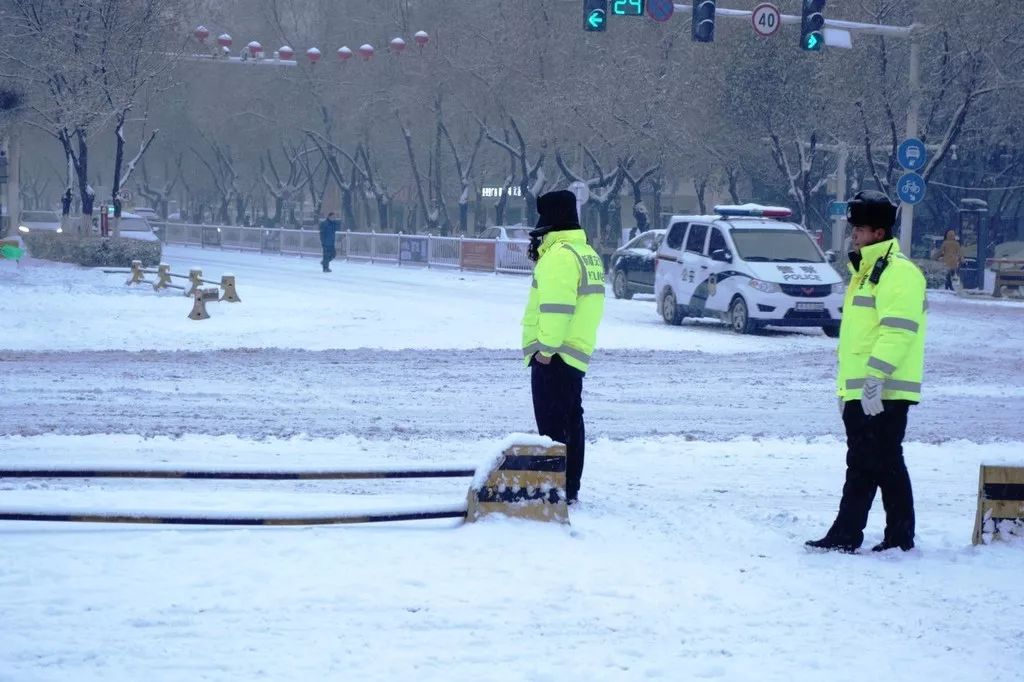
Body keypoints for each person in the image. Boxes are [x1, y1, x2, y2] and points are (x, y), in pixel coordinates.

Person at [806, 190, 927, 553]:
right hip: (865, 389)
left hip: (884, 389)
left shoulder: (897, 272)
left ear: (878, 232)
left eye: (859, 229)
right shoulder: (865, 271)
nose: (853, 235)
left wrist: (875, 378)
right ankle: (894, 536)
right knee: (880, 464)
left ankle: (851, 534)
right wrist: (849, 389)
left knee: (868, 463)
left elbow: (898, 330)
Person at [521, 190, 606, 505]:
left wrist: (545, 350)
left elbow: (557, 309)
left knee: (552, 428)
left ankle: (554, 491)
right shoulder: (586, 253)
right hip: (575, 353)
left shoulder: (559, 256)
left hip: (554, 355)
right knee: (572, 420)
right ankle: (569, 487)